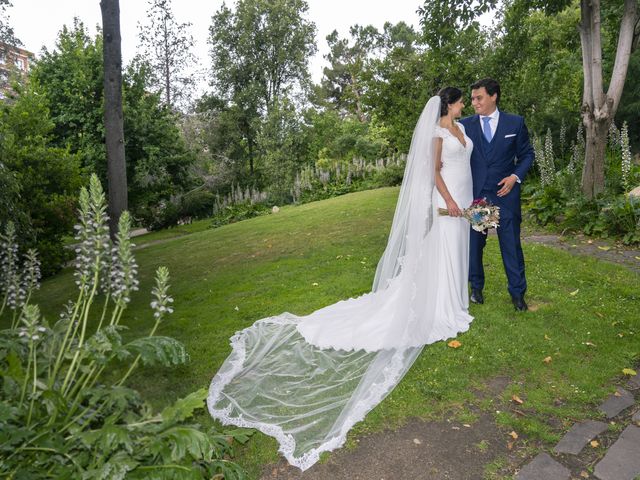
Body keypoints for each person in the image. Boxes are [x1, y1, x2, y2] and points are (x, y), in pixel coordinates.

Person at [207, 88, 475, 471]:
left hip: (465, 198)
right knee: (441, 250)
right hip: (448, 199)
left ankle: (454, 298)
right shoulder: (437, 134)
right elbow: (433, 172)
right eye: (460, 100)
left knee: (452, 249)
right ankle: (442, 303)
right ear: (448, 104)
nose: (463, 104)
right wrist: (448, 200)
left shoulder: (461, 129)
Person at [459, 78, 534, 311]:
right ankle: (476, 289)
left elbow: (527, 155)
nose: (474, 103)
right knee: (475, 245)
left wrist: (515, 177)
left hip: (505, 196)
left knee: (510, 245)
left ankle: (518, 293)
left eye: (478, 97)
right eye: (471, 99)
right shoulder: (464, 126)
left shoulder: (515, 123)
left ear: (494, 96)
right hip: (478, 197)